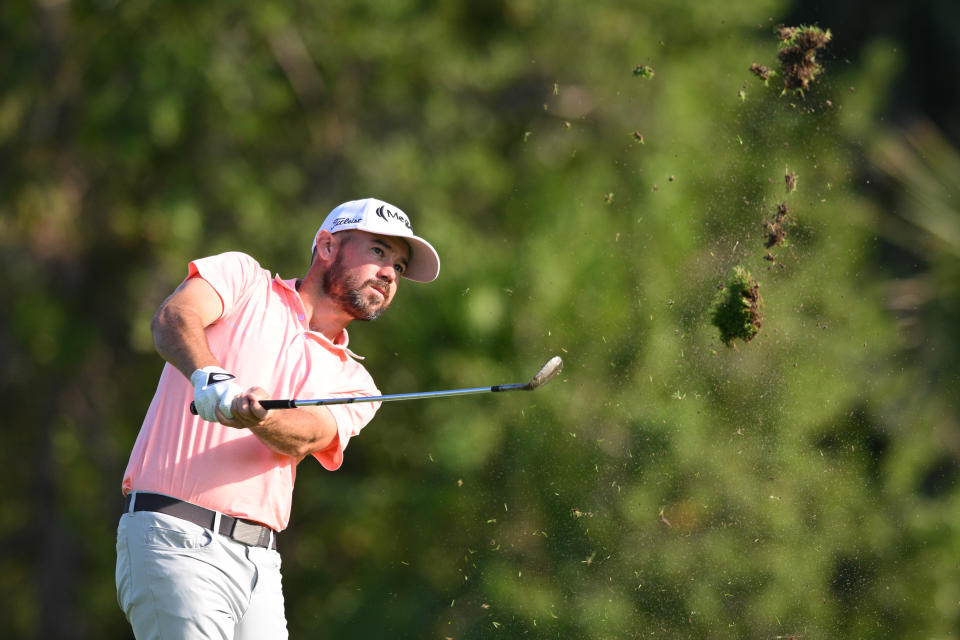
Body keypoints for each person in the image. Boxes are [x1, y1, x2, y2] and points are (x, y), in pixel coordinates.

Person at [115, 198, 439, 639]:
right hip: (175, 537)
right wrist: (211, 378)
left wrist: (256, 417)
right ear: (327, 245)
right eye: (379, 252)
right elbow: (174, 318)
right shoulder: (244, 280)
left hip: (260, 565)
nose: (388, 274)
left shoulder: (358, 382)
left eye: (399, 268)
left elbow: (308, 436)